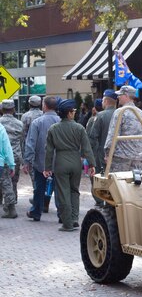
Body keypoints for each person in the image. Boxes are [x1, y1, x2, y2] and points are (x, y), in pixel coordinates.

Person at [44, 99, 95, 232]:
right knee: (74, 191)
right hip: (75, 161)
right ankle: (74, 219)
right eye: (73, 111)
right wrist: (91, 164)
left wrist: (47, 167)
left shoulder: (53, 129)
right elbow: (86, 148)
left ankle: (67, 223)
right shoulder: (79, 128)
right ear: (69, 113)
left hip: (60, 161)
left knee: (63, 192)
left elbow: (49, 150)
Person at [24, 96, 60, 221]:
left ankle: (36, 211)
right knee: (60, 188)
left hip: (41, 161)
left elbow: (31, 142)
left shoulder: (37, 122)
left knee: (39, 187)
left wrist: (27, 161)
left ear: (44, 106)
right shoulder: (61, 121)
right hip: (59, 161)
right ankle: (62, 214)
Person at [105, 86, 142, 172]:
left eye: (120, 95)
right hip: (138, 157)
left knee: (118, 183)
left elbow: (113, 135)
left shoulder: (120, 112)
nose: (118, 97)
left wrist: (107, 153)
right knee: (136, 183)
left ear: (126, 96)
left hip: (121, 158)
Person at [0, 100, 23, 218]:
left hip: (3, 156)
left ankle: (8, 205)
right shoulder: (19, 123)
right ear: (14, 109)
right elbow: (22, 141)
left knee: (4, 181)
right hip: (15, 155)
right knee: (12, 181)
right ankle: (12, 202)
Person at [21, 95, 43, 198]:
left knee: (34, 176)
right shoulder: (44, 114)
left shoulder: (25, 116)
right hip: (44, 148)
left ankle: (37, 197)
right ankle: (43, 197)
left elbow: (23, 135)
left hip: (31, 148)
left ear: (29, 103)